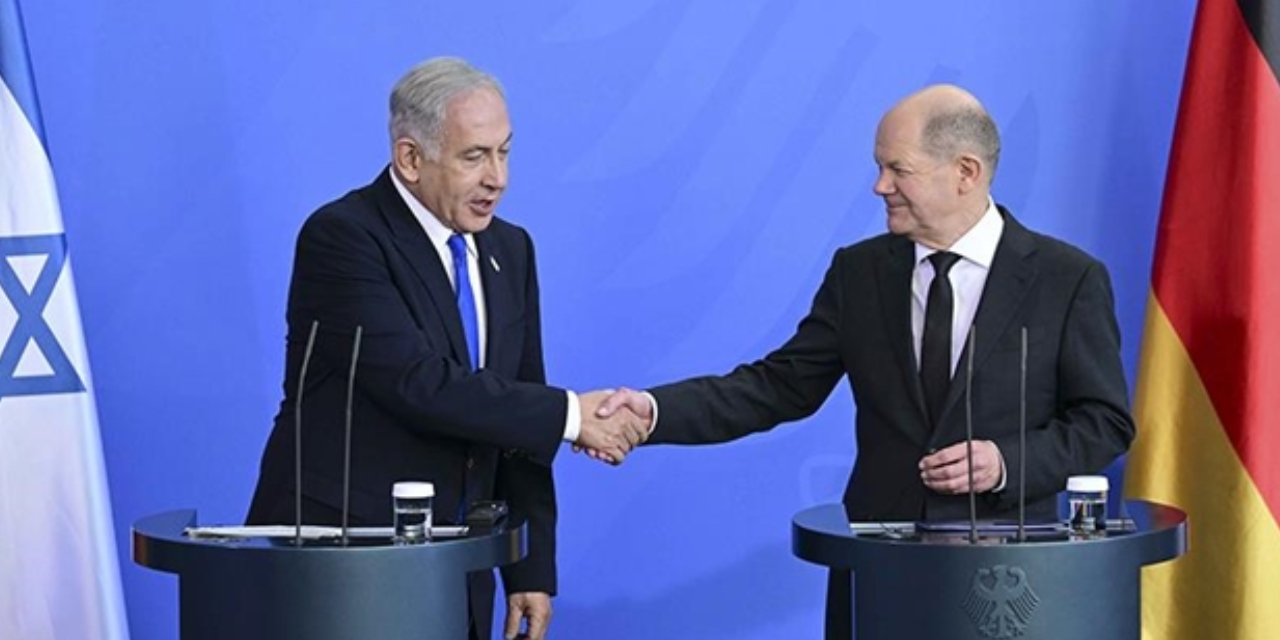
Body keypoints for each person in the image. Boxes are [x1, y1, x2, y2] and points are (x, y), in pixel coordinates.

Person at [593, 84, 1136, 639]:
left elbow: (1105, 422)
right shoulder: (859, 272)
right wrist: (653, 411)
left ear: (966, 172)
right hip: (879, 573)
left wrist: (1005, 463)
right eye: (879, 167)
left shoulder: (1066, 279)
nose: (880, 186)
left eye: (898, 169)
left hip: (1010, 582)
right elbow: (778, 386)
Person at [246, 56, 648, 640]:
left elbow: (516, 408)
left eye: (504, 152)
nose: (498, 178)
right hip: (342, 565)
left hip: (458, 571)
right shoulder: (343, 237)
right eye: (474, 156)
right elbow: (417, 382)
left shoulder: (511, 250)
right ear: (411, 159)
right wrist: (571, 416)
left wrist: (530, 569)